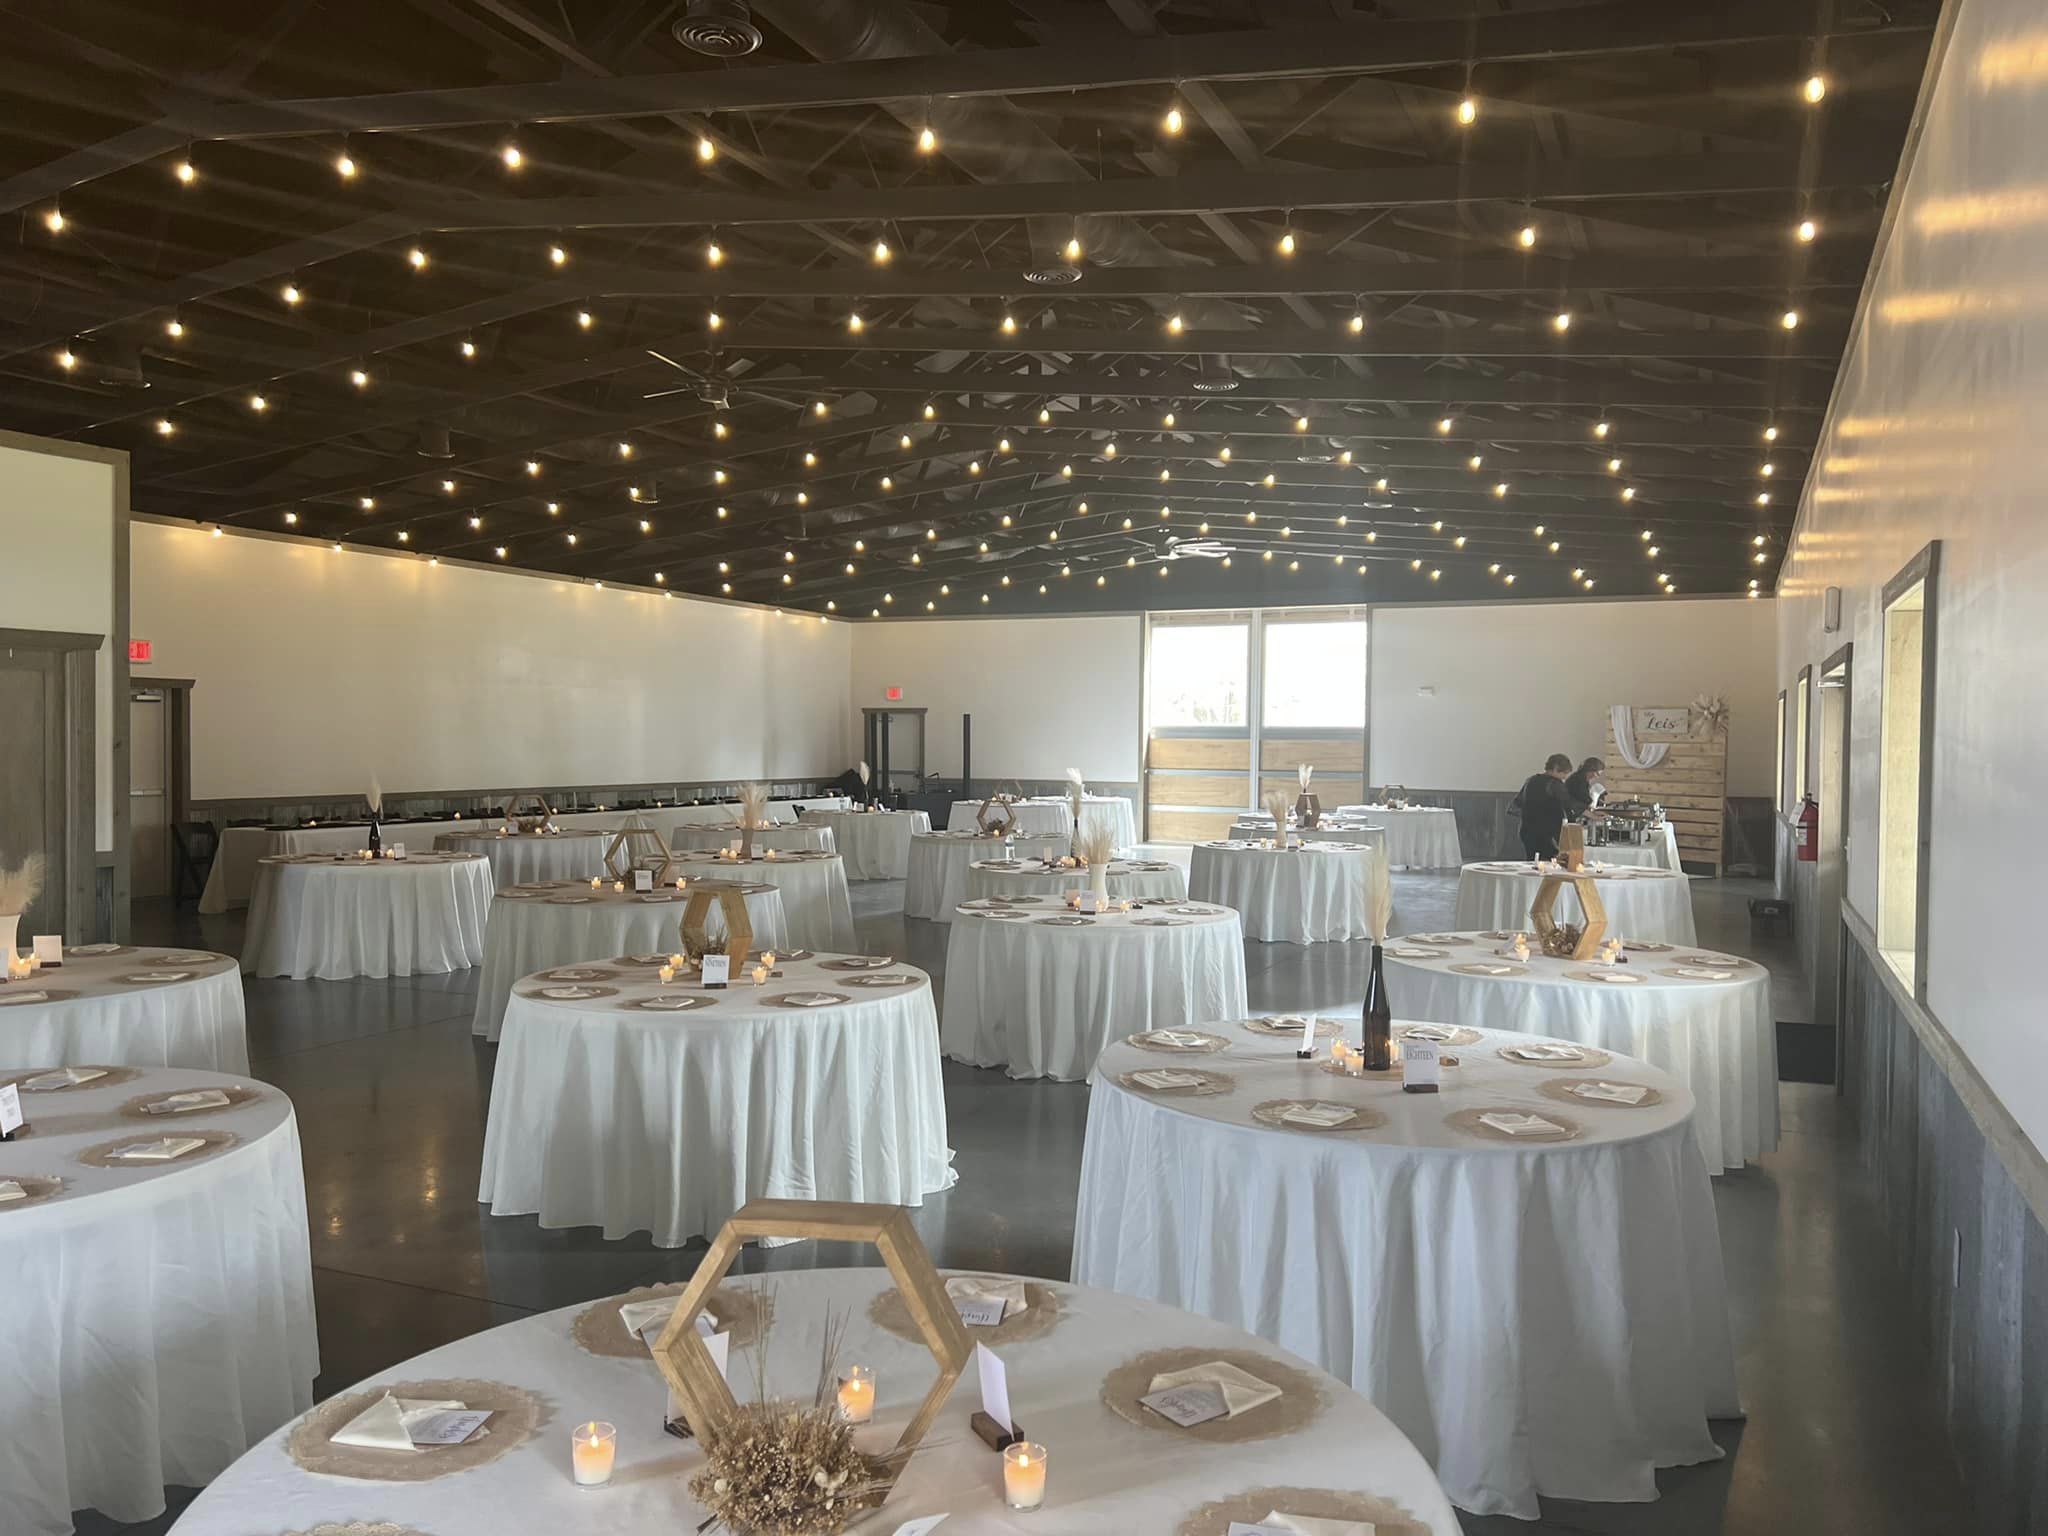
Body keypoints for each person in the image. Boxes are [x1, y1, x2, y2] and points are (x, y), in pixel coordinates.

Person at [1514, 753, 1574, 860]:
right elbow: (1568, 806)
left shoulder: (1531, 780)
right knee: (1550, 862)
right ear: (1555, 769)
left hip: (1527, 829)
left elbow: (1518, 803)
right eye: (1564, 773)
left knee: (1532, 860)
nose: (1565, 777)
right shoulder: (1555, 784)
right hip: (1547, 832)